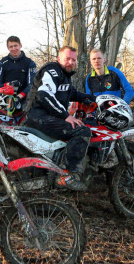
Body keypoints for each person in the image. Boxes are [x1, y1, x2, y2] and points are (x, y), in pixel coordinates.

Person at [24, 46, 96, 191]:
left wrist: (95, 99)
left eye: (73, 60)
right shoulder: (52, 71)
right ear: (59, 59)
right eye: (67, 59)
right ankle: (65, 176)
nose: (70, 62)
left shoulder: (65, 77)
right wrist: (66, 116)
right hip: (39, 117)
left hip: (47, 117)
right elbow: (45, 94)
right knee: (82, 131)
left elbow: (73, 93)